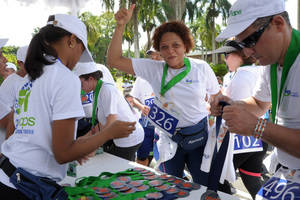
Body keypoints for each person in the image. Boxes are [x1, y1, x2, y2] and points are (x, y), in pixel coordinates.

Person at [0, 14, 136, 199]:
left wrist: (78, 146)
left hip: (8, 173)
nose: (79, 59)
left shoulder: (30, 78)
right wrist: (109, 133)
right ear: (72, 40)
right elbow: (63, 153)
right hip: (26, 186)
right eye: (81, 50)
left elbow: (32, 131)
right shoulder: (64, 78)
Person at [107, 5, 225, 188]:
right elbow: (114, 60)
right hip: (168, 141)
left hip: (199, 138)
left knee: (204, 187)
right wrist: (120, 26)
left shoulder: (201, 68)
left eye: (176, 45)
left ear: (185, 45)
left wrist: (217, 104)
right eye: (164, 47)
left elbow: (216, 95)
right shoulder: (154, 69)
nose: (170, 51)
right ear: (159, 50)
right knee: (170, 187)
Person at [211, 0, 300, 198]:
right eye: (241, 45)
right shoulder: (271, 64)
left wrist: (257, 127)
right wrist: (233, 104)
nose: (246, 52)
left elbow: (258, 119)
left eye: (250, 41)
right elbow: (260, 104)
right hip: (286, 170)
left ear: (278, 23)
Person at [214, 40, 268, 199]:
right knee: (252, 180)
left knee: (216, 178)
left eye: (227, 54)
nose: (225, 59)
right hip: (259, 135)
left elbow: (231, 108)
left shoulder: (242, 74)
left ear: (240, 55)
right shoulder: (260, 70)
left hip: (239, 138)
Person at [73, 62, 144, 161]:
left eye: (81, 84)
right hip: (122, 136)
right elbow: (103, 123)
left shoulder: (106, 90)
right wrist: (84, 138)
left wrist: (92, 146)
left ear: (91, 79)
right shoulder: (97, 91)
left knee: (118, 171)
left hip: (130, 138)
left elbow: (111, 124)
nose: (80, 88)